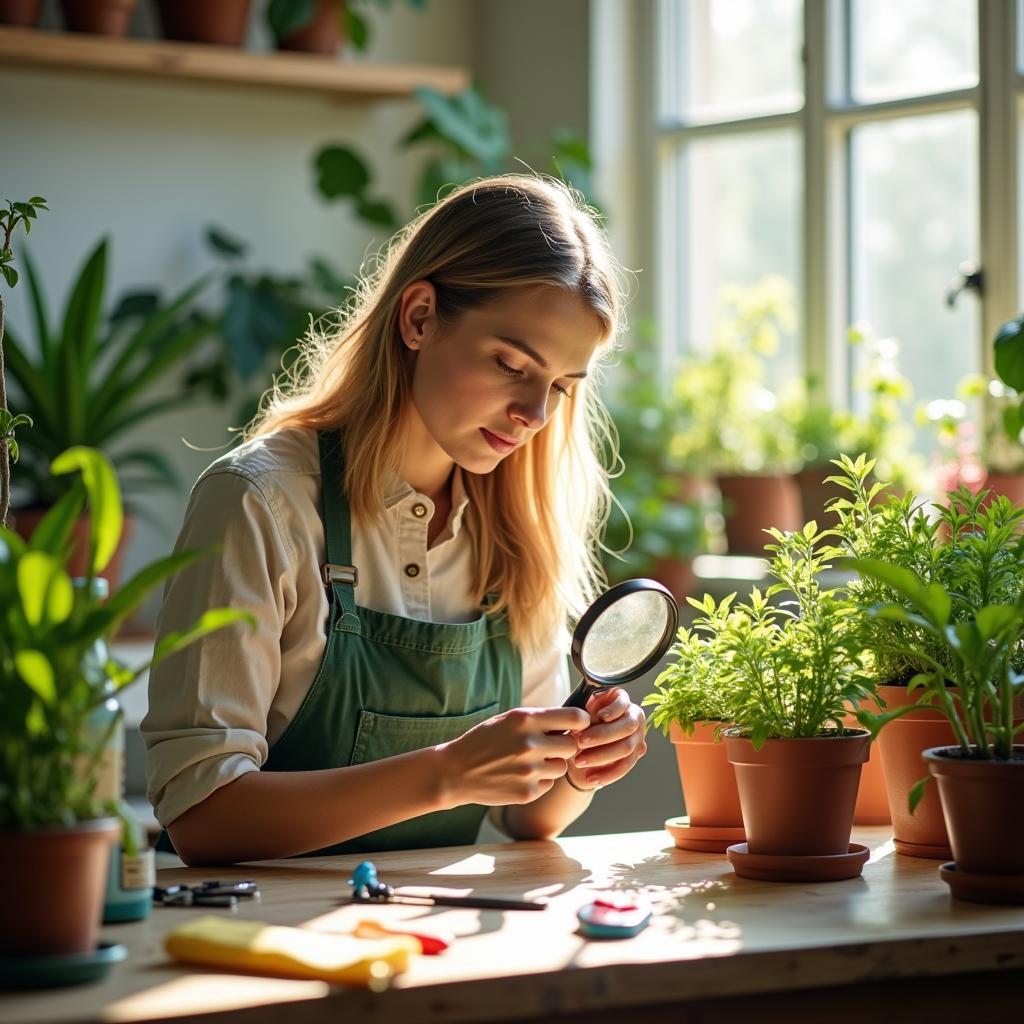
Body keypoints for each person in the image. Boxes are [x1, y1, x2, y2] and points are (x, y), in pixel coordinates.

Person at [142, 174, 647, 866]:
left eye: (561, 386)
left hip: (419, 939)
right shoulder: (259, 502)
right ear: (418, 318)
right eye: (510, 364)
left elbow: (528, 816)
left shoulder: (517, 530)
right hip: (252, 939)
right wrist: (444, 775)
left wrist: (578, 763)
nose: (534, 414)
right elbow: (202, 815)